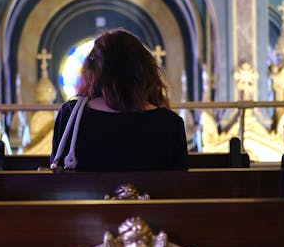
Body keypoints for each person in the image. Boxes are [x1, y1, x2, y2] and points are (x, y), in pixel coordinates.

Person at [50, 28, 188, 170]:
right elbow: (179, 185)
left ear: (93, 71)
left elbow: (57, 172)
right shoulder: (170, 123)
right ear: (145, 71)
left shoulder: (70, 114)